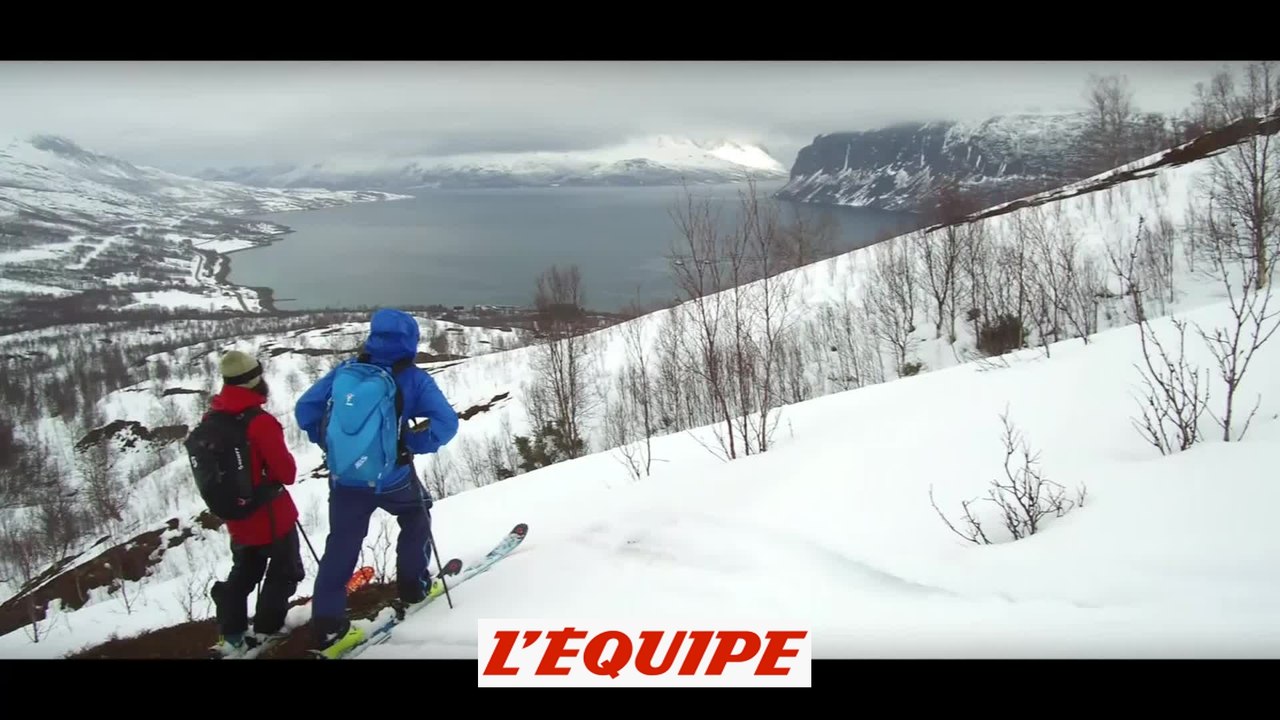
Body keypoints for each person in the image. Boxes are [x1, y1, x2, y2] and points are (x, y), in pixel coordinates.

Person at [295, 308, 460, 653]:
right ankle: (414, 587)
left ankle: (328, 627)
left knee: (341, 544)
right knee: (417, 512)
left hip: (345, 480)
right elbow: (446, 423)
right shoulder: (412, 379)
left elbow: (305, 410)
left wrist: (329, 444)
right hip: (391, 477)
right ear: (410, 341)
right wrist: (411, 444)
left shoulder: (347, 371)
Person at [205, 350, 304, 651]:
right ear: (254, 381)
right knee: (286, 570)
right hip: (272, 515)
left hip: (237, 515)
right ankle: (267, 629)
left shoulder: (212, 418)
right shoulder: (259, 422)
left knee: (245, 570)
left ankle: (232, 632)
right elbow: (286, 473)